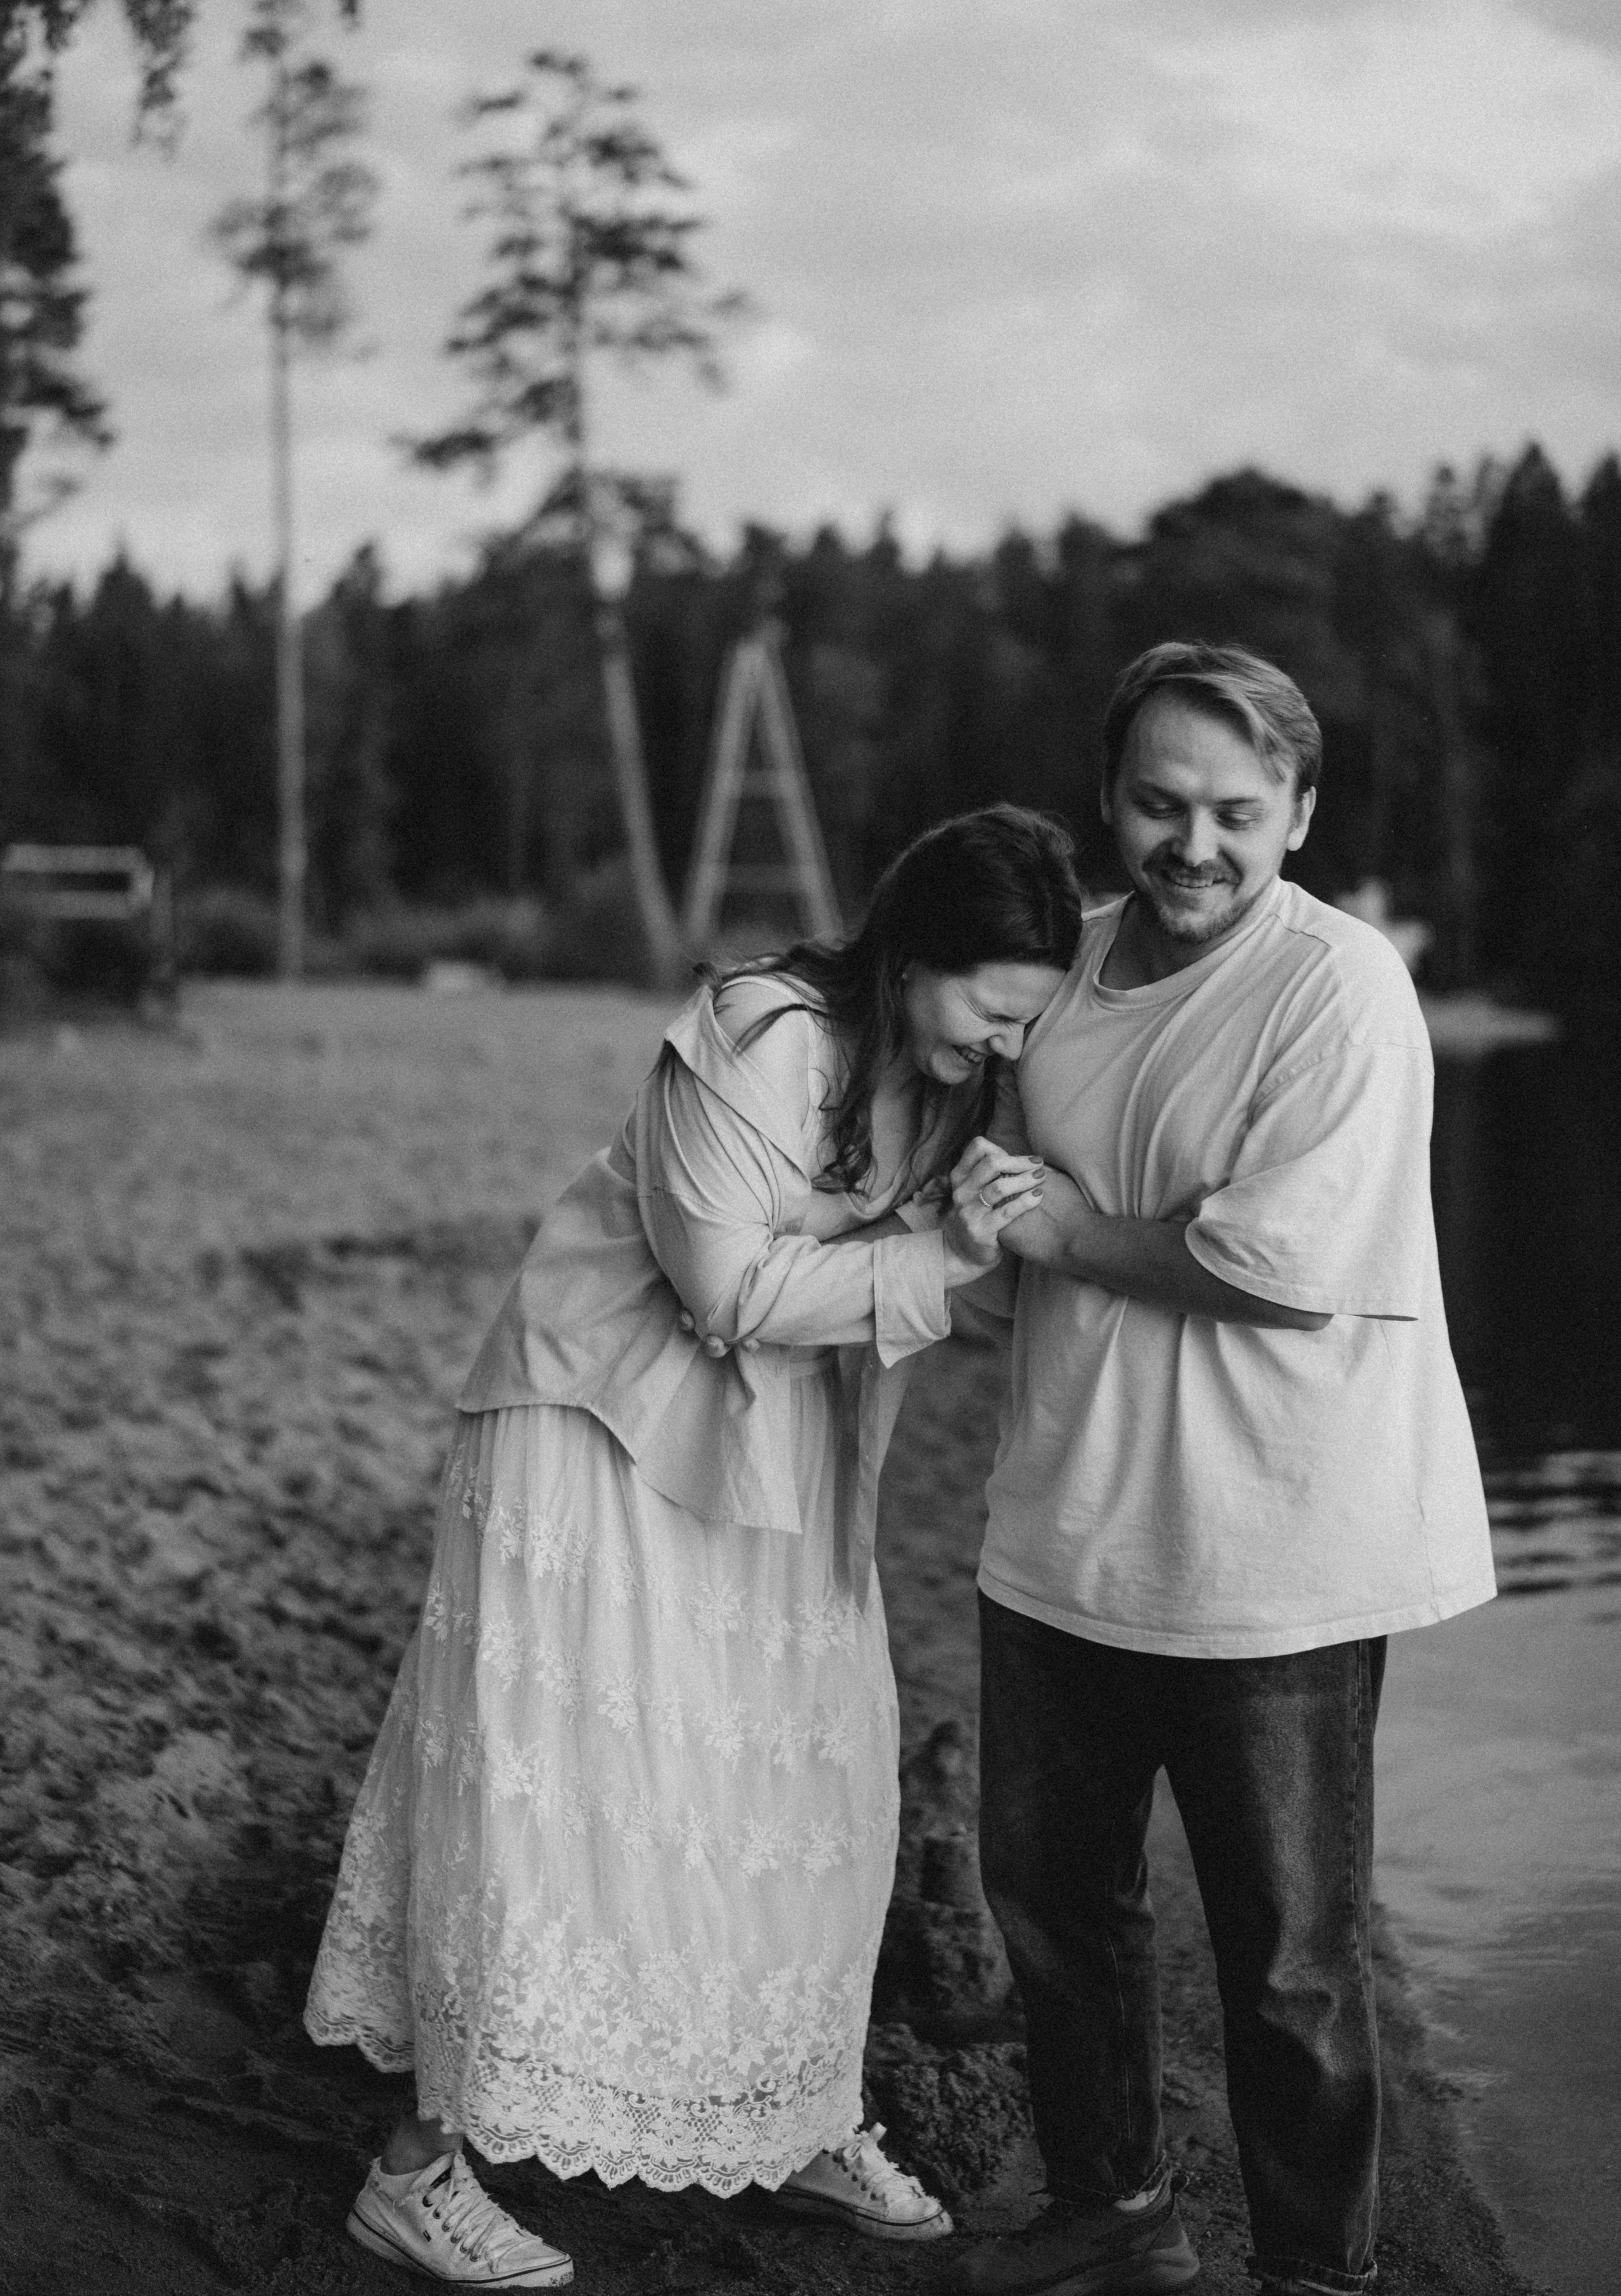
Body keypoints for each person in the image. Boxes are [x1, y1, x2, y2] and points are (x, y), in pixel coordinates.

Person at [305, 805, 1083, 2289]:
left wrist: (1003, 1228)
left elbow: (911, 1284)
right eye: (988, 1012)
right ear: (913, 957)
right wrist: (948, 1257)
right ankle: (415, 2175)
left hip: (770, 1455)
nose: (995, 1052)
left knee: (810, 1777)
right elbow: (723, 1287)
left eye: (1020, 1030)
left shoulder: (943, 1089)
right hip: (590, 1434)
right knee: (562, 1803)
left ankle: (785, 2112)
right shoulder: (758, 1030)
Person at [941, 645, 1496, 2296]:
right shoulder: (1064, 966)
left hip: (1280, 1561)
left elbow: (1273, 1260)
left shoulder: (1341, 988)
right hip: (1064, 1528)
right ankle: (1115, 2219)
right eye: (1163, 804)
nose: (1195, 843)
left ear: (1299, 813)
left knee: (1292, 1974)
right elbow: (969, 1146)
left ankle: (1318, 2275)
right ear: (1110, 800)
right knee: (1054, 1913)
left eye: (1238, 813)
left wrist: (1053, 1227)